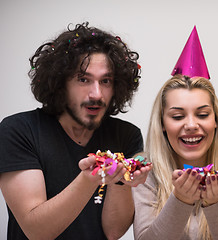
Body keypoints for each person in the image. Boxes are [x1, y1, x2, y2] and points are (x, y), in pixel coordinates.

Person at [0, 22, 151, 240]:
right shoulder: (19, 131)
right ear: (60, 83)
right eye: (83, 79)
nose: (97, 94)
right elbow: (37, 231)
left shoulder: (125, 136)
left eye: (106, 81)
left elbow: (114, 231)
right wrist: (90, 178)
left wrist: (121, 178)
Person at [132, 74, 218, 240]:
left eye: (202, 114)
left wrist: (216, 203)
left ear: (216, 120)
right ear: (162, 123)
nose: (191, 125)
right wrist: (180, 200)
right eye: (178, 116)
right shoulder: (144, 172)